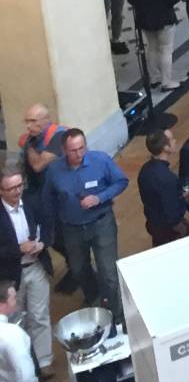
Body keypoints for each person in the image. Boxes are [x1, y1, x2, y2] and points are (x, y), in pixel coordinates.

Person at [42, 129, 126, 323]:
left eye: (82, 148)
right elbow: (48, 199)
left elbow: (121, 181)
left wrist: (100, 197)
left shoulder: (101, 161)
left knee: (109, 273)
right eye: (73, 150)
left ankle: (117, 315)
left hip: (101, 223)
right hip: (71, 228)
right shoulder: (54, 171)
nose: (79, 154)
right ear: (64, 150)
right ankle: (94, 298)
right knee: (79, 269)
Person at [0, 163, 51, 373]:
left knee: (40, 316)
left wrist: (42, 244)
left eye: (19, 185)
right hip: (10, 275)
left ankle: (45, 362)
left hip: (36, 265)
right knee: (15, 320)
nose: (17, 191)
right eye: (11, 188)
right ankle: (24, 366)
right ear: (1, 190)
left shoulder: (31, 200)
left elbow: (48, 224)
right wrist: (18, 249)